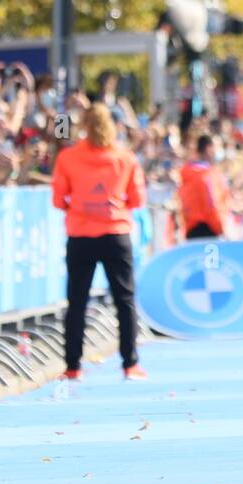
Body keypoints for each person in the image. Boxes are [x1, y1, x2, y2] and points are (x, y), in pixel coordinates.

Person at [50, 103, 147, 382]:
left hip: (80, 234)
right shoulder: (125, 157)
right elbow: (138, 199)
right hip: (116, 232)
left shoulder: (68, 157)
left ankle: (73, 366)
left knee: (77, 301)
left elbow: (58, 199)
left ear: (83, 124)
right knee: (124, 299)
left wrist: (80, 206)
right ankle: (130, 364)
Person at [178, 133, 234, 239]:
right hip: (209, 229)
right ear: (209, 149)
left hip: (191, 227)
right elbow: (212, 203)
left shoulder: (187, 171)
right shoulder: (207, 175)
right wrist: (220, 228)